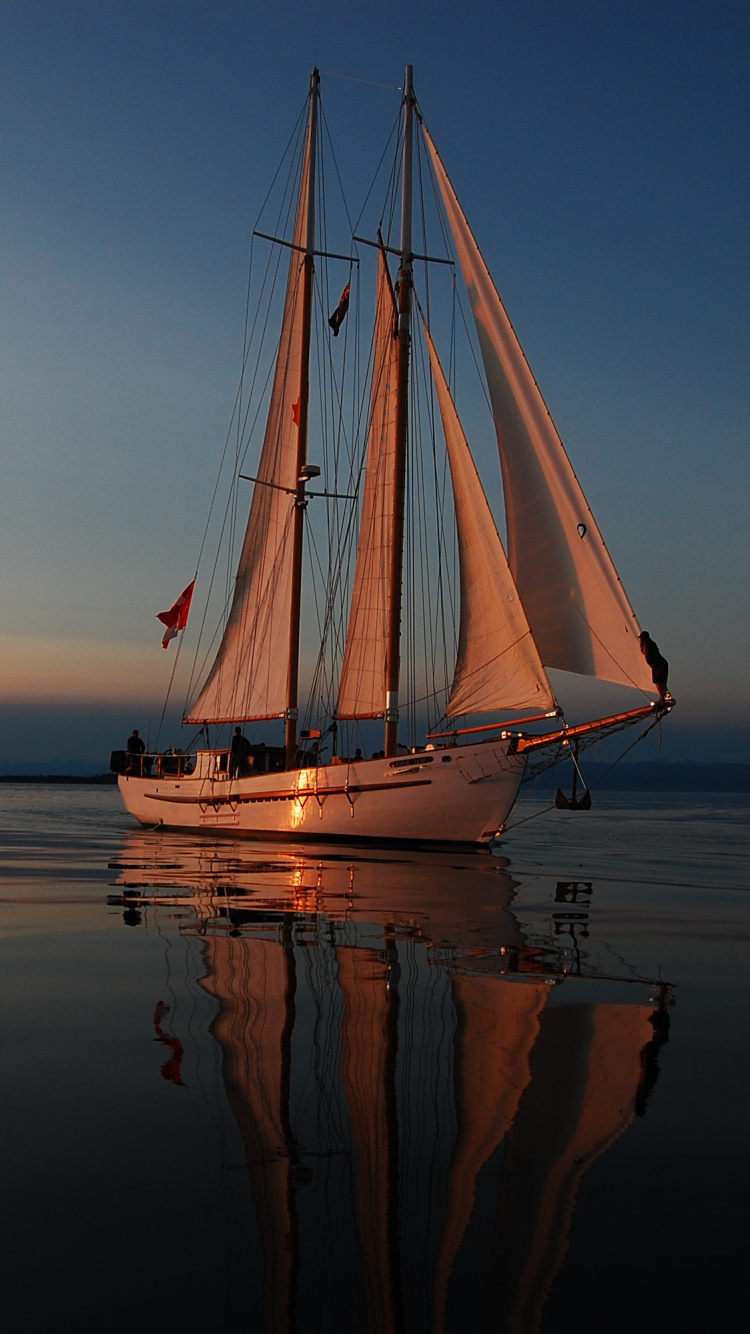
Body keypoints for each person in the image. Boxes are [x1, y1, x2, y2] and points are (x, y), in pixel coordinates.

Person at [639, 631, 671, 701]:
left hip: (658, 664)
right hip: (663, 663)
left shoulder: (647, 644)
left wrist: (650, 664)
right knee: (662, 681)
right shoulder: (651, 643)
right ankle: (666, 697)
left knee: (657, 680)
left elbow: (648, 656)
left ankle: (663, 698)